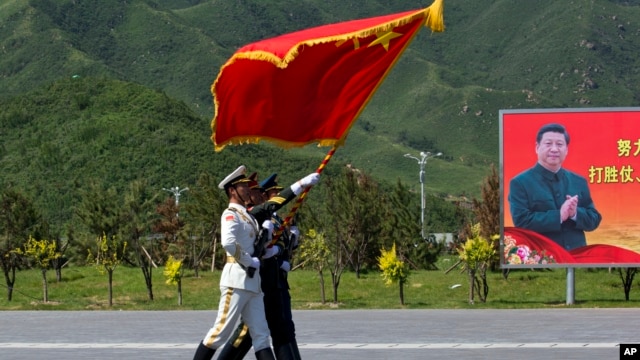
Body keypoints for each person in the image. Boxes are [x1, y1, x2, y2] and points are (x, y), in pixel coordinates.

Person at [217, 173, 316, 360]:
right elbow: (244, 246)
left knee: (279, 329)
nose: (255, 193)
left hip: (274, 281)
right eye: (253, 190)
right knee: (241, 333)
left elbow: (280, 243)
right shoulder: (249, 215)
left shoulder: (259, 216)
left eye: (253, 189)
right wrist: (300, 184)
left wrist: (280, 251)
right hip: (258, 281)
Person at [192, 165, 276, 360]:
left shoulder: (247, 216)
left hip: (252, 283)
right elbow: (228, 242)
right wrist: (248, 261)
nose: (248, 189)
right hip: (236, 280)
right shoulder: (230, 213)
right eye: (243, 186)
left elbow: (257, 245)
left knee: (262, 337)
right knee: (219, 333)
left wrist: (268, 233)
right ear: (232, 190)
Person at [508, 123, 602, 250]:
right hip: (543, 258)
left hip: (577, 256)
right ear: (537, 147)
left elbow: (594, 220)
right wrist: (559, 215)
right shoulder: (520, 182)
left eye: (559, 144)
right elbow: (522, 222)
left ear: (566, 150)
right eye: (548, 144)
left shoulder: (579, 181)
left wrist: (575, 213)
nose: (554, 149)